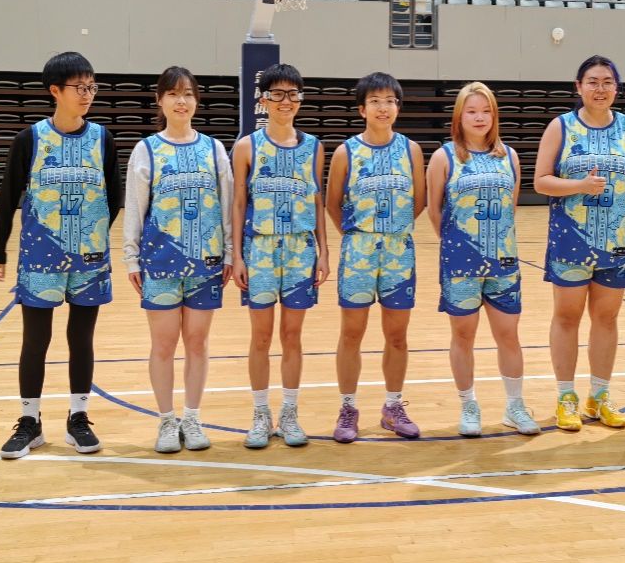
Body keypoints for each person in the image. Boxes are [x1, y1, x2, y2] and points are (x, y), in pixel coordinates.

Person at [0, 51, 122, 459]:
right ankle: (29, 422)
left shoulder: (102, 139)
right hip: (40, 258)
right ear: (55, 90)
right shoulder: (29, 140)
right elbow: (7, 198)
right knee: (36, 340)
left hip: (90, 259)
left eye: (91, 86)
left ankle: (78, 418)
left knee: (81, 339)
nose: (87, 94)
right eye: (79, 87)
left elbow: (115, 197)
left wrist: (91, 236)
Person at [534, 55, 625, 433]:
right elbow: (541, 181)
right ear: (578, 87)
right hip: (571, 239)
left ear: (617, 88)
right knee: (567, 317)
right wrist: (580, 186)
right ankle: (565, 397)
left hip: (616, 242)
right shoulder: (561, 126)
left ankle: (599, 396)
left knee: (607, 318)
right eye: (592, 81)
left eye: (607, 82)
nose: (600, 89)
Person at [123, 66, 233, 454]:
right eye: (172, 94)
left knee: (198, 342)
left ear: (196, 101)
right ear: (160, 101)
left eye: (187, 93)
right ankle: (167, 421)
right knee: (164, 344)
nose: (181, 101)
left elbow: (226, 206)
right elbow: (135, 208)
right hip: (161, 262)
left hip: (206, 262)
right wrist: (132, 258)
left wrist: (229, 252)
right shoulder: (146, 149)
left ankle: (193, 417)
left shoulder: (214, 149)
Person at [427, 81, 536, 437]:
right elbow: (434, 210)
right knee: (463, 335)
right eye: (471, 111)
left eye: (486, 111)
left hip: (503, 262)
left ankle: (515, 406)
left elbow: (511, 206)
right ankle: (469, 405)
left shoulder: (509, 156)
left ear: (494, 115)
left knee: (509, 335)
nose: (479, 117)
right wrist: (460, 244)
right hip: (461, 264)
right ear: (459, 116)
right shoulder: (444, 157)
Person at [231, 63, 329, 449]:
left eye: (292, 94)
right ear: (264, 100)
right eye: (277, 94)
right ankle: (260, 414)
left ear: (300, 99)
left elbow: (317, 201)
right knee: (260, 337)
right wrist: (237, 256)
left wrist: (324, 251)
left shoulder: (314, 147)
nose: (285, 101)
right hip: (260, 249)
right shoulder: (247, 147)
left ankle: (289, 413)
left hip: (300, 250)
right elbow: (239, 203)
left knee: (292, 336)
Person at [326, 72, 426, 442]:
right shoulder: (346, 152)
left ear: (398, 107)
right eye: (375, 101)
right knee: (351, 333)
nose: (383, 108)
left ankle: (393, 407)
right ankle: (348, 408)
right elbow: (332, 203)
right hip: (358, 253)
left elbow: (420, 200)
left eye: (390, 101)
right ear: (362, 109)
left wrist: (392, 230)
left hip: (399, 252)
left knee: (397, 335)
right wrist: (358, 235)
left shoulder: (411, 151)